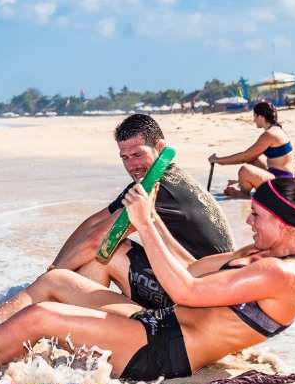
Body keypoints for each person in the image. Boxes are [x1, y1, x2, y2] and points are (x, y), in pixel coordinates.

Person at [0, 177, 295, 380]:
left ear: (285, 222)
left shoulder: (284, 274)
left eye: (256, 215)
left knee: (41, 316)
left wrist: (147, 224)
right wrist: (150, 218)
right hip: (158, 327)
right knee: (58, 281)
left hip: (161, 353)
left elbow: (185, 290)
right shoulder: (262, 254)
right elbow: (191, 268)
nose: (249, 220)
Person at [45, 114, 233, 312]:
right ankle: (72, 322)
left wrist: (51, 280)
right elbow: (92, 223)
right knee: (95, 256)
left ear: (160, 148)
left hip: (205, 301)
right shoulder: (164, 176)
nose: (131, 166)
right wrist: (54, 268)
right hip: (194, 282)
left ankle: (70, 323)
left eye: (137, 155)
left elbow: (96, 241)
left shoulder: (158, 188)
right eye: (125, 158)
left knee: (110, 252)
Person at [209, 101, 293, 198]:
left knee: (244, 170)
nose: (254, 120)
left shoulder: (270, 134)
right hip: (282, 177)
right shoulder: (276, 130)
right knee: (254, 159)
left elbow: (245, 156)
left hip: (281, 185)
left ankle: (244, 194)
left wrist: (218, 160)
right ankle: (240, 184)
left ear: (261, 117)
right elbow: (250, 157)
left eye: (254, 116)